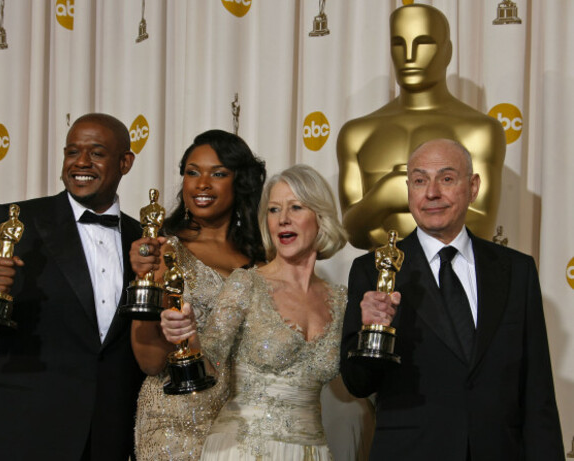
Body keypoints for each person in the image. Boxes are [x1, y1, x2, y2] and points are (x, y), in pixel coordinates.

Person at [0, 113, 158, 460]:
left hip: (108, 440)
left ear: (125, 162)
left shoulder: (143, 240)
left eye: (96, 153)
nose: (81, 163)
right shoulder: (16, 221)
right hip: (23, 435)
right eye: (72, 152)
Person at [340, 139, 564, 460]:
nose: (432, 193)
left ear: (472, 187)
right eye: (419, 180)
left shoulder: (516, 270)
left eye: (446, 178)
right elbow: (357, 383)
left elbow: (537, 392)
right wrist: (369, 333)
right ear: (409, 190)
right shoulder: (373, 270)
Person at [162, 164, 348, 460]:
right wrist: (189, 339)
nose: (283, 219)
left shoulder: (341, 301)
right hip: (244, 449)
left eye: (295, 207)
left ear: (320, 217)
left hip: (311, 451)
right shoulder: (246, 283)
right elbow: (209, 365)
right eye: (274, 210)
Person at [131, 129, 266, 460]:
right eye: (192, 172)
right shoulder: (163, 252)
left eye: (218, 173)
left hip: (247, 424)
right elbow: (148, 361)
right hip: (174, 423)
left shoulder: (265, 259)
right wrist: (162, 302)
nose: (201, 184)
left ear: (241, 182)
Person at [337, 3, 506, 250]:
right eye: (398, 44)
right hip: (378, 280)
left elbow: (481, 228)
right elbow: (353, 232)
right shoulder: (357, 134)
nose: (409, 55)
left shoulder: (480, 130)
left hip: (450, 277)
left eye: (423, 43)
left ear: (447, 52)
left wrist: (401, 199)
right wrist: (383, 196)